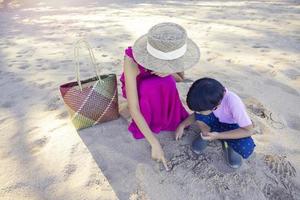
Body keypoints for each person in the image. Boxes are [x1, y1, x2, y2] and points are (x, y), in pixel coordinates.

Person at [120, 22, 200, 170]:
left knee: (167, 81)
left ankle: (166, 115)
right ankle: (153, 118)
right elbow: (134, 108)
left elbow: (180, 78)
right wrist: (154, 143)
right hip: (139, 89)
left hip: (163, 87)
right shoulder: (132, 61)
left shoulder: (174, 50)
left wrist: (169, 71)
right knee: (150, 86)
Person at [175, 78, 256, 168]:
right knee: (201, 115)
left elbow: (248, 130)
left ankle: (231, 147)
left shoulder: (234, 102)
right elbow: (197, 114)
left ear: (216, 106)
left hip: (233, 127)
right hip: (216, 120)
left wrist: (218, 136)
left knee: (245, 146)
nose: (197, 113)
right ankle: (206, 134)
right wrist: (182, 125)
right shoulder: (209, 95)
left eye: (200, 110)